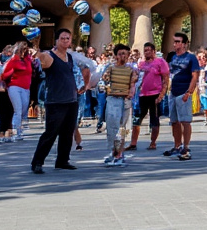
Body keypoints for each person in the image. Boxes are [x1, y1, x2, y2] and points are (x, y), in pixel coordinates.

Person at [30, 28, 92, 174]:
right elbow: (41, 59)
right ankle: (37, 162)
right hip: (55, 101)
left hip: (71, 100)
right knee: (50, 133)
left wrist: (85, 85)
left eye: (68, 38)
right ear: (56, 41)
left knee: (67, 133)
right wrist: (36, 51)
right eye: (63, 38)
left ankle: (62, 161)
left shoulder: (70, 57)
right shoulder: (50, 56)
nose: (65, 41)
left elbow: (86, 69)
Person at [93, 44, 138, 166]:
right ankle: (113, 151)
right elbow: (104, 79)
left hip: (125, 100)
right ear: (116, 55)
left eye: (125, 54)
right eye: (120, 54)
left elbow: (133, 85)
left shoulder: (132, 70)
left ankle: (120, 154)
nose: (122, 56)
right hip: (113, 99)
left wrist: (130, 94)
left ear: (128, 55)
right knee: (112, 127)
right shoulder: (111, 68)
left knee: (123, 128)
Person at [127, 42, 169, 151]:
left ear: (154, 51)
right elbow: (136, 78)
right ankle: (133, 143)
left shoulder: (160, 62)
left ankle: (153, 142)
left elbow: (165, 80)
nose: (147, 52)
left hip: (155, 94)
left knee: (154, 119)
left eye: (149, 50)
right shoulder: (141, 64)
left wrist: (161, 95)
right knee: (137, 119)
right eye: (145, 50)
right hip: (142, 95)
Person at [164, 32, 200, 160]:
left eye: (178, 41)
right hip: (173, 92)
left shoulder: (191, 57)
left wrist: (189, 92)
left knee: (185, 121)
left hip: (184, 92)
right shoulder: (172, 57)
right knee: (174, 121)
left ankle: (186, 147)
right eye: (174, 41)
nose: (175, 44)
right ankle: (177, 145)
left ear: (184, 44)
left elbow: (195, 75)